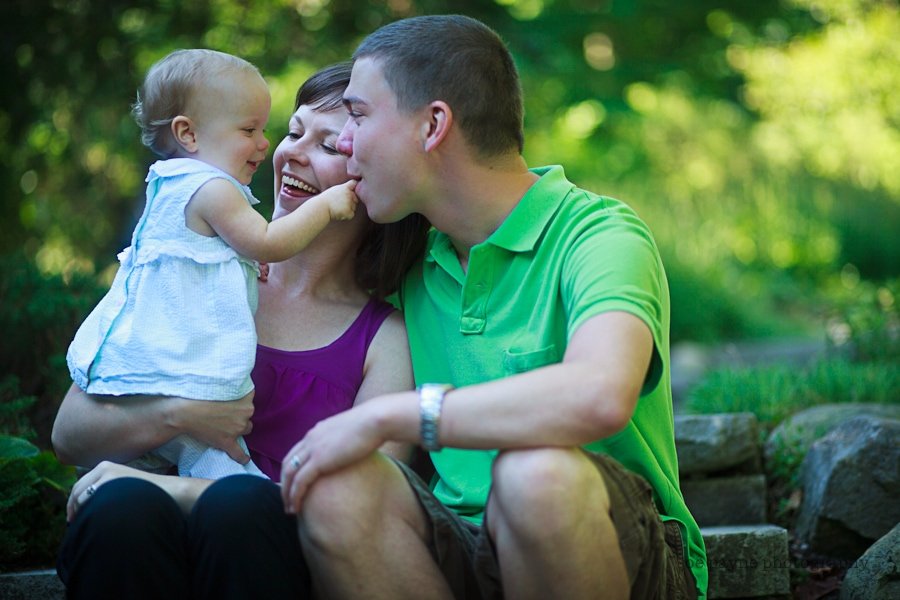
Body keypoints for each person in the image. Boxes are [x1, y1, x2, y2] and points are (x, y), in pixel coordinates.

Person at [279, 15, 708, 600]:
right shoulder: (411, 260)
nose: (344, 141)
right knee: (338, 487)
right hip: (461, 542)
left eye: (357, 115)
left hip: (612, 545)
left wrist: (391, 416)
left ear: (433, 125)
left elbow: (600, 394)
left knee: (534, 475)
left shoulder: (598, 236)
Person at [52, 62, 430, 599]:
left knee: (236, 509)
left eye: (329, 146)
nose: (290, 151)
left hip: (268, 557)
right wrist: (180, 415)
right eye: (294, 131)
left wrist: (172, 487)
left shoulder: (383, 340)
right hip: (144, 541)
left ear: (371, 178)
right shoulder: (187, 270)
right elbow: (69, 435)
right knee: (120, 510)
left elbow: (367, 509)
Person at [65, 49, 359, 479]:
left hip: (138, 379)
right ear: (188, 133)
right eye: (252, 130)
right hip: (179, 387)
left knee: (160, 478)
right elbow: (267, 242)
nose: (268, 145)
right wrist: (329, 206)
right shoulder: (212, 188)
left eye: (329, 145)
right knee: (212, 468)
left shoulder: (174, 186)